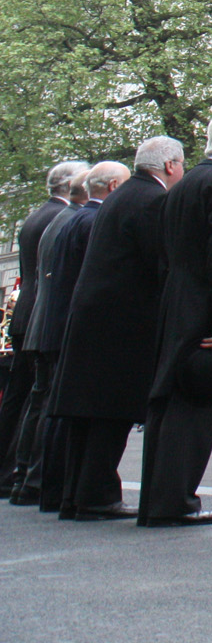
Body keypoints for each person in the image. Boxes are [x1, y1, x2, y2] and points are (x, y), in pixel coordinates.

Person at [48, 141, 185, 520]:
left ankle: (76, 496)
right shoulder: (152, 201)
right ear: (171, 165)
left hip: (94, 316)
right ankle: (97, 496)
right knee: (112, 413)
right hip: (122, 322)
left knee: (87, 415)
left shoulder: (120, 196)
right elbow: (161, 262)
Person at [140, 113, 212, 527]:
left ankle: (159, 498)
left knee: (170, 401)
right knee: (195, 405)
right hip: (207, 310)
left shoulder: (183, 185)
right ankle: (176, 500)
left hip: (178, 302)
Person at [25, 163, 123, 510]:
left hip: (50, 322)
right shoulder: (88, 221)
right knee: (58, 410)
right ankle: (46, 484)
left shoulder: (64, 219)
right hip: (69, 325)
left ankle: (39, 483)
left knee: (48, 407)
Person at [5, 164, 87, 504]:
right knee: (37, 398)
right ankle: (27, 475)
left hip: (31, 314)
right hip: (45, 316)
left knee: (25, 398)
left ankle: (18, 472)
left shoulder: (41, 216)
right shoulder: (64, 217)